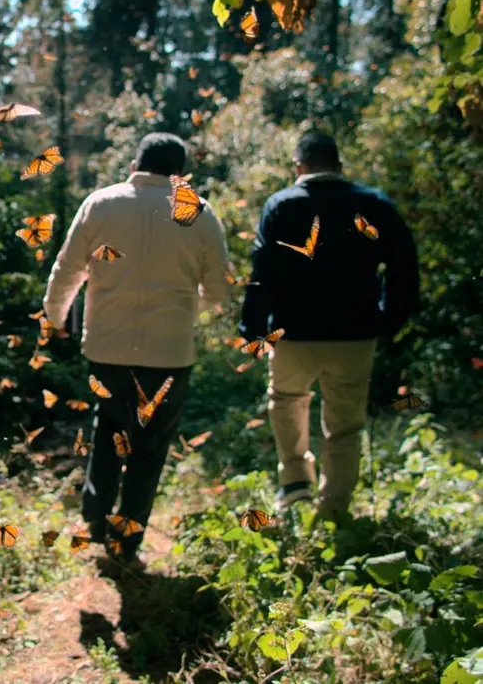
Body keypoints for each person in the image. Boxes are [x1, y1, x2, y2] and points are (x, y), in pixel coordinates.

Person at [44, 132, 230, 565]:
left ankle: (95, 518)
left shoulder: (101, 203)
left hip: (107, 349)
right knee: (150, 448)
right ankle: (126, 540)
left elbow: (67, 268)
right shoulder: (200, 213)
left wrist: (54, 318)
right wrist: (185, 308)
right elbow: (220, 291)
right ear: (179, 175)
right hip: (169, 354)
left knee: (108, 432)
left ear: (134, 164)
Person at [238, 130, 420, 521]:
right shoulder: (374, 204)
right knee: (345, 425)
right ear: (339, 165)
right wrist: (388, 318)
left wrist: (252, 329)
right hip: (355, 332)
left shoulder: (280, 205)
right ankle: (334, 508)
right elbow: (405, 267)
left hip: (292, 332)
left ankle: (296, 489)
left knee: (286, 402)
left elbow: (262, 273)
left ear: (299, 166)